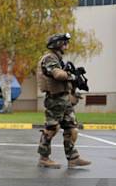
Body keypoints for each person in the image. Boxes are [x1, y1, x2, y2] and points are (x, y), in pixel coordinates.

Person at [36, 32, 91, 169]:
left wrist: (74, 87)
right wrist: (72, 76)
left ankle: (73, 158)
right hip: (54, 100)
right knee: (52, 128)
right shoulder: (49, 59)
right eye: (64, 43)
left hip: (64, 100)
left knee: (72, 129)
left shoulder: (59, 60)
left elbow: (64, 77)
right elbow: (57, 74)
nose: (67, 45)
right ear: (58, 44)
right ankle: (44, 158)